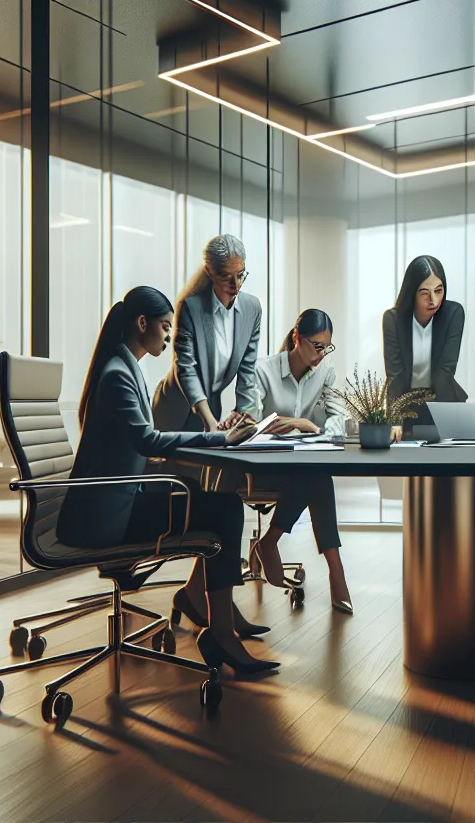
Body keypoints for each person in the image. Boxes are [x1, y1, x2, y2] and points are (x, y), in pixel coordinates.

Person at [63, 285, 279, 676]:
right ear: (142, 323)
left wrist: (215, 435)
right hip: (110, 516)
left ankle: (216, 616)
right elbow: (147, 440)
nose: (168, 336)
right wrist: (218, 437)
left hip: (116, 500)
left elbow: (142, 442)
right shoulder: (118, 374)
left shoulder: (122, 366)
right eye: (164, 327)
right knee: (223, 505)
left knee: (214, 498)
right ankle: (220, 629)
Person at [247, 309, 354, 614]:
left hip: (301, 470)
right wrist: (273, 424)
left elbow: (339, 422)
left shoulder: (326, 373)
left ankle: (272, 542)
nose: (322, 354)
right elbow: (248, 423)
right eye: (317, 346)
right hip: (262, 469)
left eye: (326, 347)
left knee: (315, 474)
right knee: (316, 476)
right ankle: (336, 572)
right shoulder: (263, 371)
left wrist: (308, 426)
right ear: (297, 338)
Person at [153, 235, 263, 434]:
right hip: (175, 409)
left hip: (211, 408)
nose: (235, 284)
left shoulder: (252, 308)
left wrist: (246, 413)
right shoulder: (190, 307)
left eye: (240, 275)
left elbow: (247, 369)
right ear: (209, 273)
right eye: (225, 277)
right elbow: (185, 367)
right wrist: (208, 419)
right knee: (173, 465)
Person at [381, 255, 466, 435]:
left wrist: (445, 421)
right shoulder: (393, 320)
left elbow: (446, 370)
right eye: (425, 293)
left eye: (439, 291)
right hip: (406, 406)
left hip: (444, 402)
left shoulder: (454, 314)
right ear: (412, 292)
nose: (433, 300)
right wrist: (395, 418)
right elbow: (394, 374)